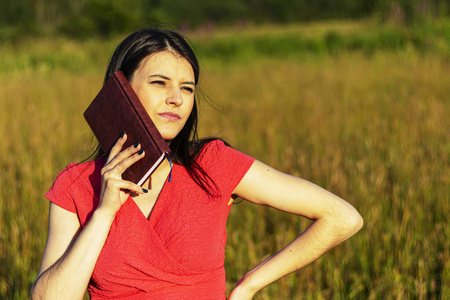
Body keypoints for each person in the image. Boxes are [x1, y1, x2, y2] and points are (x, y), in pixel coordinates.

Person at [31, 28, 363, 300]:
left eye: (186, 88)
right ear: (121, 89)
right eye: (160, 83)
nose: (176, 98)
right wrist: (104, 212)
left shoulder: (212, 164)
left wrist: (248, 286)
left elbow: (342, 217)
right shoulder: (77, 184)